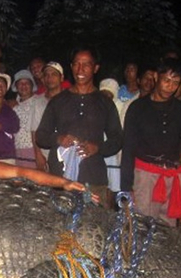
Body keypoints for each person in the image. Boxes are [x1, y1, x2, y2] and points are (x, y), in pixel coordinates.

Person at [121, 57, 181, 226]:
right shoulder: (137, 108)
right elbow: (128, 148)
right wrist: (126, 186)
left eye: (175, 82)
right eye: (166, 80)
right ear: (156, 77)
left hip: (173, 177)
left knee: (168, 230)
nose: (170, 86)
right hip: (145, 177)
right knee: (142, 227)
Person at [36, 47, 123, 209]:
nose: (80, 69)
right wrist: (58, 138)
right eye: (76, 64)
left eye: (86, 65)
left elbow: (117, 139)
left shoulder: (105, 103)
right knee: (59, 231)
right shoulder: (58, 101)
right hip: (60, 180)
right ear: (71, 66)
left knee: (92, 230)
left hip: (93, 179)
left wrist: (97, 147)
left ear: (96, 68)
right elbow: (41, 136)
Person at [98, 78, 126, 194]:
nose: (105, 98)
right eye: (103, 94)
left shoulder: (119, 107)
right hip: (95, 150)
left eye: (108, 95)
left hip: (111, 150)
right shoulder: (93, 105)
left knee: (112, 184)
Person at [12, 69, 41, 168]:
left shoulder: (40, 101)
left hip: (35, 150)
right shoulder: (14, 106)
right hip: (18, 151)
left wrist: (39, 154)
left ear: (32, 85)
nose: (23, 86)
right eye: (20, 83)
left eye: (27, 83)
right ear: (16, 87)